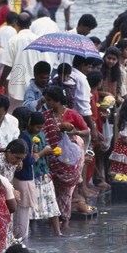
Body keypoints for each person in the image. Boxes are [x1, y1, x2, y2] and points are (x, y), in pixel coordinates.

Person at [43, 86, 88, 228]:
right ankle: (54, 219)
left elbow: (86, 131)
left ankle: (66, 220)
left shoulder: (73, 114)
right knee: (53, 189)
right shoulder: (45, 116)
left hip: (70, 158)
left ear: (57, 100)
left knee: (68, 191)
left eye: (49, 100)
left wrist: (73, 132)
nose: (47, 103)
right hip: (52, 157)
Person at [0, 12, 51, 110]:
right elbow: (47, 64)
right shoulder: (39, 40)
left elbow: (7, 66)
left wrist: (0, 84)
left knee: (16, 117)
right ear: (30, 24)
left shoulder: (13, 40)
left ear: (17, 23)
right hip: (36, 87)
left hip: (17, 87)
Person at [27, 111, 61, 235]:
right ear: (30, 124)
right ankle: (34, 233)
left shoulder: (41, 134)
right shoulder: (25, 137)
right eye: (37, 127)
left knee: (51, 202)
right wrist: (43, 152)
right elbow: (32, 158)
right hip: (33, 175)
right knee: (33, 207)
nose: (39, 129)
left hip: (44, 173)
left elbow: (46, 148)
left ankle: (58, 232)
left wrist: (51, 152)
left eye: (41, 127)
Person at [11, 107, 37, 240]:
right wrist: (39, 155)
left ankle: (16, 238)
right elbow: (28, 160)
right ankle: (22, 240)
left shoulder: (14, 133)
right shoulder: (25, 136)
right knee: (23, 212)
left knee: (16, 212)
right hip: (24, 178)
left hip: (15, 177)